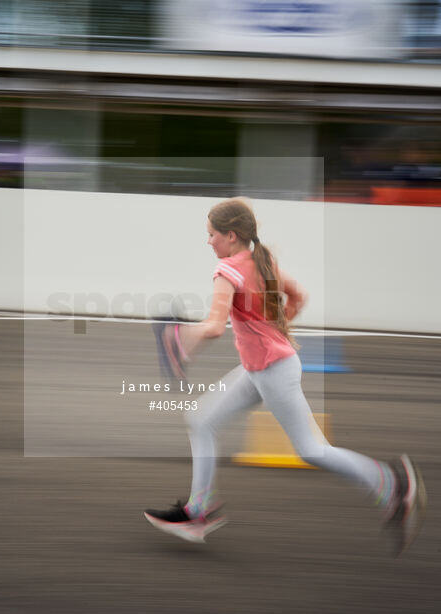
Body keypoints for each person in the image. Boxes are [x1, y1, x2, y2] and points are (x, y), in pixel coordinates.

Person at [145, 197, 426, 556]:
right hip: (263, 369)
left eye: (211, 234)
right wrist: (273, 329)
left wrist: (179, 343)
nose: (209, 241)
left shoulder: (227, 271)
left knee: (312, 450)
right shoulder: (262, 260)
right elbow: (299, 295)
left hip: (273, 372)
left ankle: (392, 485)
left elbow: (214, 328)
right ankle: (199, 511)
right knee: (201, 419)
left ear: (230, 236)